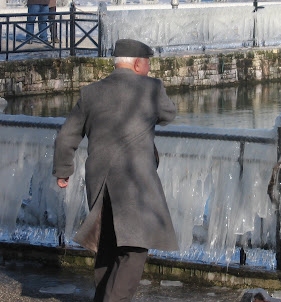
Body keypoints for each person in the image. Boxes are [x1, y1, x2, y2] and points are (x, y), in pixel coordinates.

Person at [53, 39, 179, 302]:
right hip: (134, 182)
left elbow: (66, 136)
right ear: (137, 63)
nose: (148, 69)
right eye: (147, 63)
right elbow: (169, 115)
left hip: (99, 182)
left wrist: (64, 170)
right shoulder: (151, 88)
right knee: (134, 250)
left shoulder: (91, 93)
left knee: (107, 246)